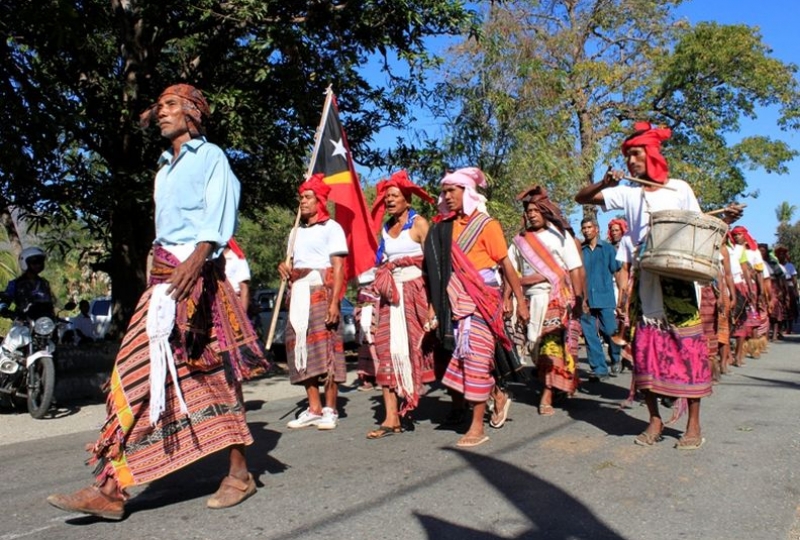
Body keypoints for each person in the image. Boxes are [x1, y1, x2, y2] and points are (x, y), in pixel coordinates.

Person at [47, 84, 268, 520]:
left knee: (214, 378)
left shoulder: (211, 158)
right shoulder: (164, 166)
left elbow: (220, 217)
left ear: (192, 114)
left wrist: (198, 262)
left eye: (170, 106)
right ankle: (111, 487)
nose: (161, 113)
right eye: (160, 107)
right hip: (164, 280)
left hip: (197, 280)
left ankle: (239, 473)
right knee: (135, 376)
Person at [575, 121, 711, 450]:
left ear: (651, 154)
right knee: (644, 351)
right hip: (644, 282)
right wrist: (603, 182)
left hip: (678, 282)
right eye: (628, 156)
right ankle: (655, 420)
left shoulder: (680, 189)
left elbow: (701, 230)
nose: (631, 161)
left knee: (687, 350)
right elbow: (581, 198)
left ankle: (693, 425)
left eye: (636, 154)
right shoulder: (628, 192)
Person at [423, 167, 528, 448]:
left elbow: (506, 265)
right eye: (444, 192)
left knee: (476, 359)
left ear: (467, 192)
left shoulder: (486, 224)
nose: (446, 196)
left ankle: (477, 426)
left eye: (451, 191)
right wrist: (433, 307)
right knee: (466, 358)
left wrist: (519, 299)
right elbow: (434, 270)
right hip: (454, 302)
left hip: (483, 299)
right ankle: (497, 394)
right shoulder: (442, 230)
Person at [365, 170, 436, 438]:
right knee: (386, 350)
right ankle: (390, 417)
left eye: (394, 195)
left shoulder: (419, 225)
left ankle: (462, 401)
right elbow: (381, 262)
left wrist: (433, 305)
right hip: (390, 298)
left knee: (425, 350)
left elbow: (434, 266)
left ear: (407, 199)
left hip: (417, 294)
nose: (389, 200)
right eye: (386, 196)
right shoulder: (385, 229)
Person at [279, 174, 348, 430]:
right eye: (301, 197)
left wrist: (334, 304)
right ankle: (314, 408)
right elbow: (291, 263)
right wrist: (283, 268)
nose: (302, 202)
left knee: (327, 349)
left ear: (320, 200)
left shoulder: (332, 228)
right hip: (297, 294)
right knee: (301, 348)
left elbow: (339, 268)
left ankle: (330, 409)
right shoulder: (295, 232)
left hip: (321, 292)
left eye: (307, 197)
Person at [508, 186, 584, 415]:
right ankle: (555, 383)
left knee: (550, 347)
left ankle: (547, 393)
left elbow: (575, 269)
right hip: (529, 299)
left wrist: (579, 299)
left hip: (556, 298)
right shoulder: (519, 241)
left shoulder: (560, 236)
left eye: (536, 210)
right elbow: (509, 270)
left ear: (545, 211)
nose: (531, 214)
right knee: (535, 347)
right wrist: (510, 298)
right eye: (528, 210)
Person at [579, 217, 622, 380]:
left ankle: (616, 357)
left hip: (606, 297)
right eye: (584, 228)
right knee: (590, 335)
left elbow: (617, 272)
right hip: (586, 299)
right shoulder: (580, 251)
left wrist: (621, 298)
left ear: (597, 229)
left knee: (610, 330)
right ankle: (599, 369)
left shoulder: (608, 249)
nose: (587, 230)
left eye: (590, 227)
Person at [1, 247, 55, 319]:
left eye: (41, 262)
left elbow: (50, 303)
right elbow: (6, 298)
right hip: (23, 321)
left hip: (44, 322)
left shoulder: (44, 283)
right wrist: (4, 310)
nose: (38, 265)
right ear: (25, 263)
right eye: (35, 262)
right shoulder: (15, 284)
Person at [223, 237, 252, 310]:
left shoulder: (237, 258)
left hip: (233, 305)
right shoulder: (209, 259)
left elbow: (244, 288)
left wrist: (243, 316)